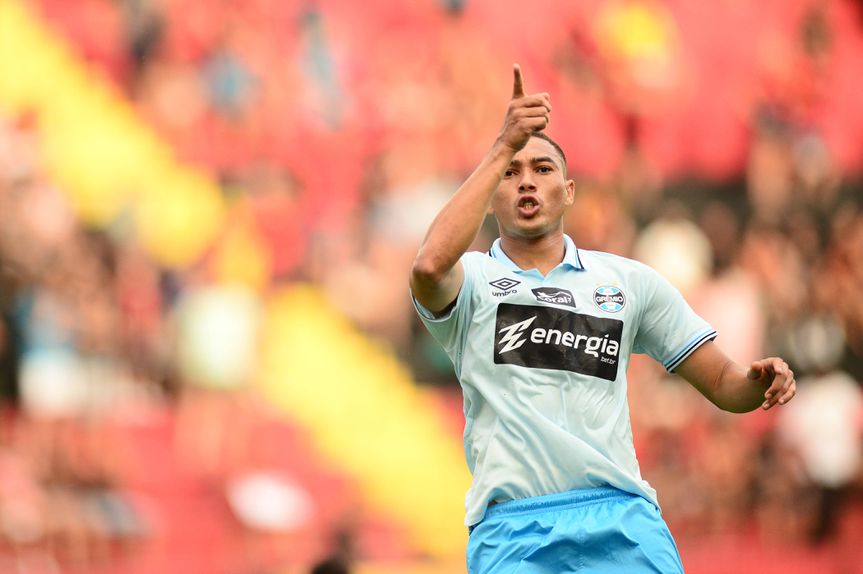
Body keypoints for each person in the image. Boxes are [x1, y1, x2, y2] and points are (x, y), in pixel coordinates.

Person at [409, 65, 797, 574]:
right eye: (510, 172)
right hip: (514, 532)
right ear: (489, 196)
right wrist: (502, 145)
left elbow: (724, 383)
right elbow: (427, 268)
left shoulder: (629, 282)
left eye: (542, 169)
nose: (527, 181)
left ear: (569, 191)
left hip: (621, 520)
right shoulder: (473, 282)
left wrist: (756, 381)